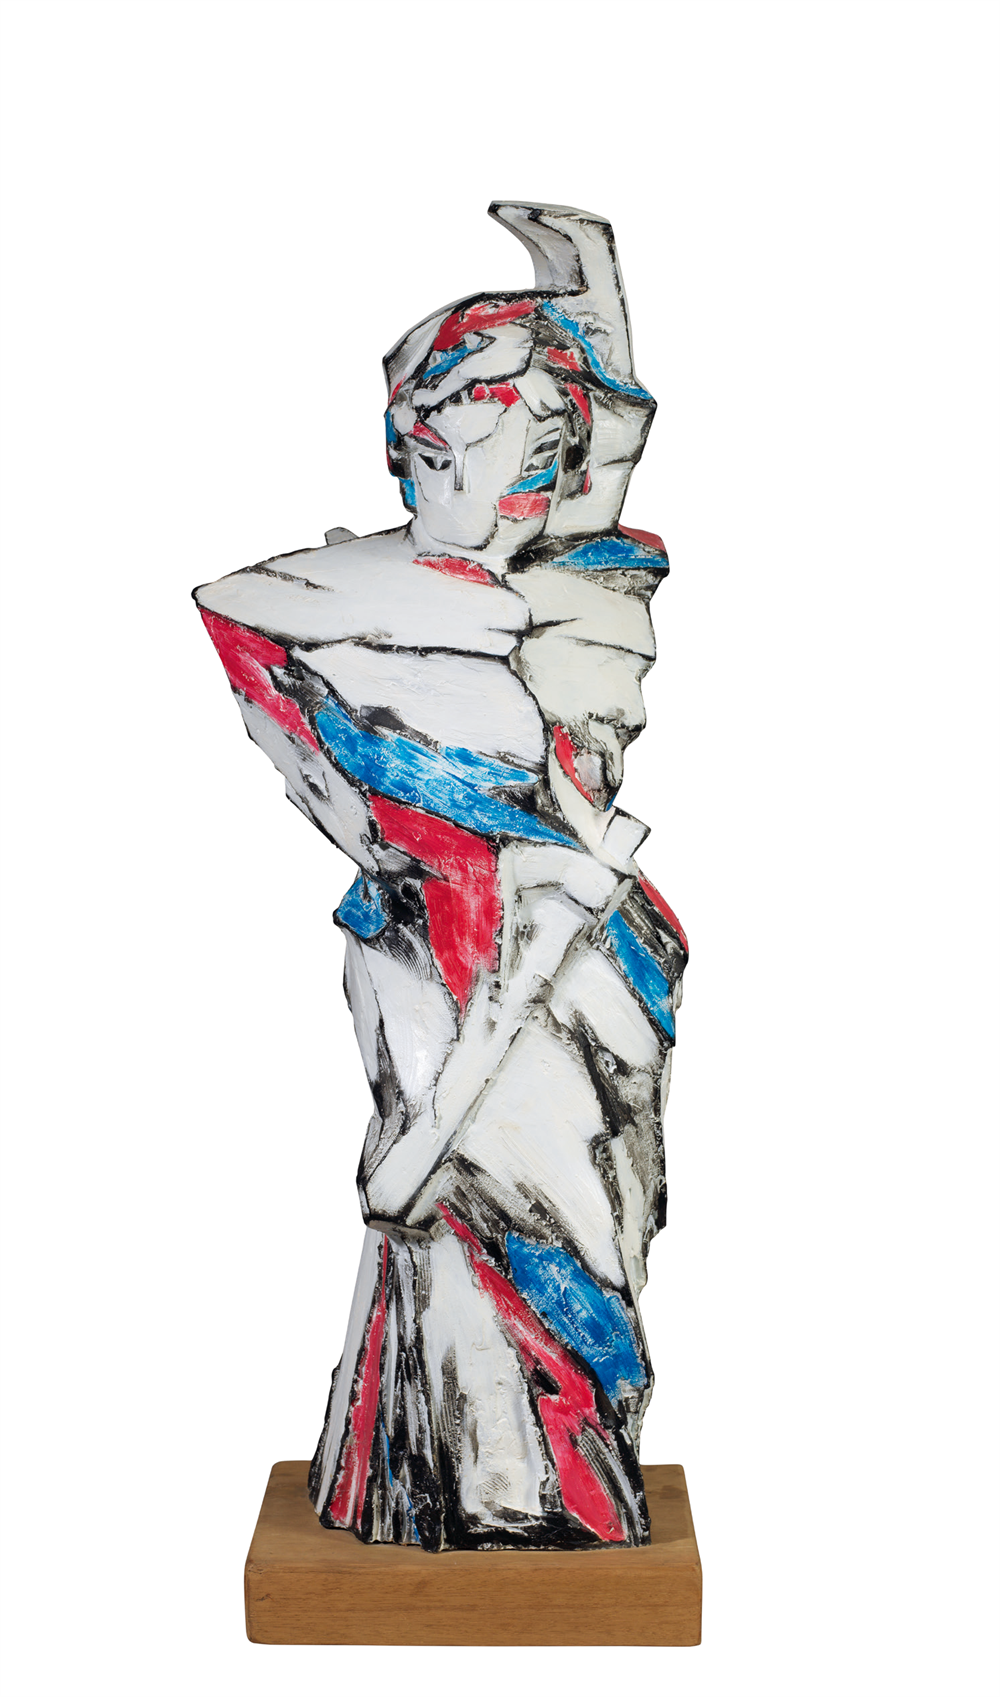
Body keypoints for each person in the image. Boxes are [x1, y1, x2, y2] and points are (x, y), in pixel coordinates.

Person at [195, 203, 687, 1551]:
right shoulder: (305, 603)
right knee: (441, 1211)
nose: (494, 462)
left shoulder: (579, 592)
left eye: (529, 429)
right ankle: (459, 1488)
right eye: (457, 432)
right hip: (429, 953)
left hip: (583, 963)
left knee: (583, 1232)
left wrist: (587, 285)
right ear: (411, 435)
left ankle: (557, 1489)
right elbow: (352, 792)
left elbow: (610, 452)